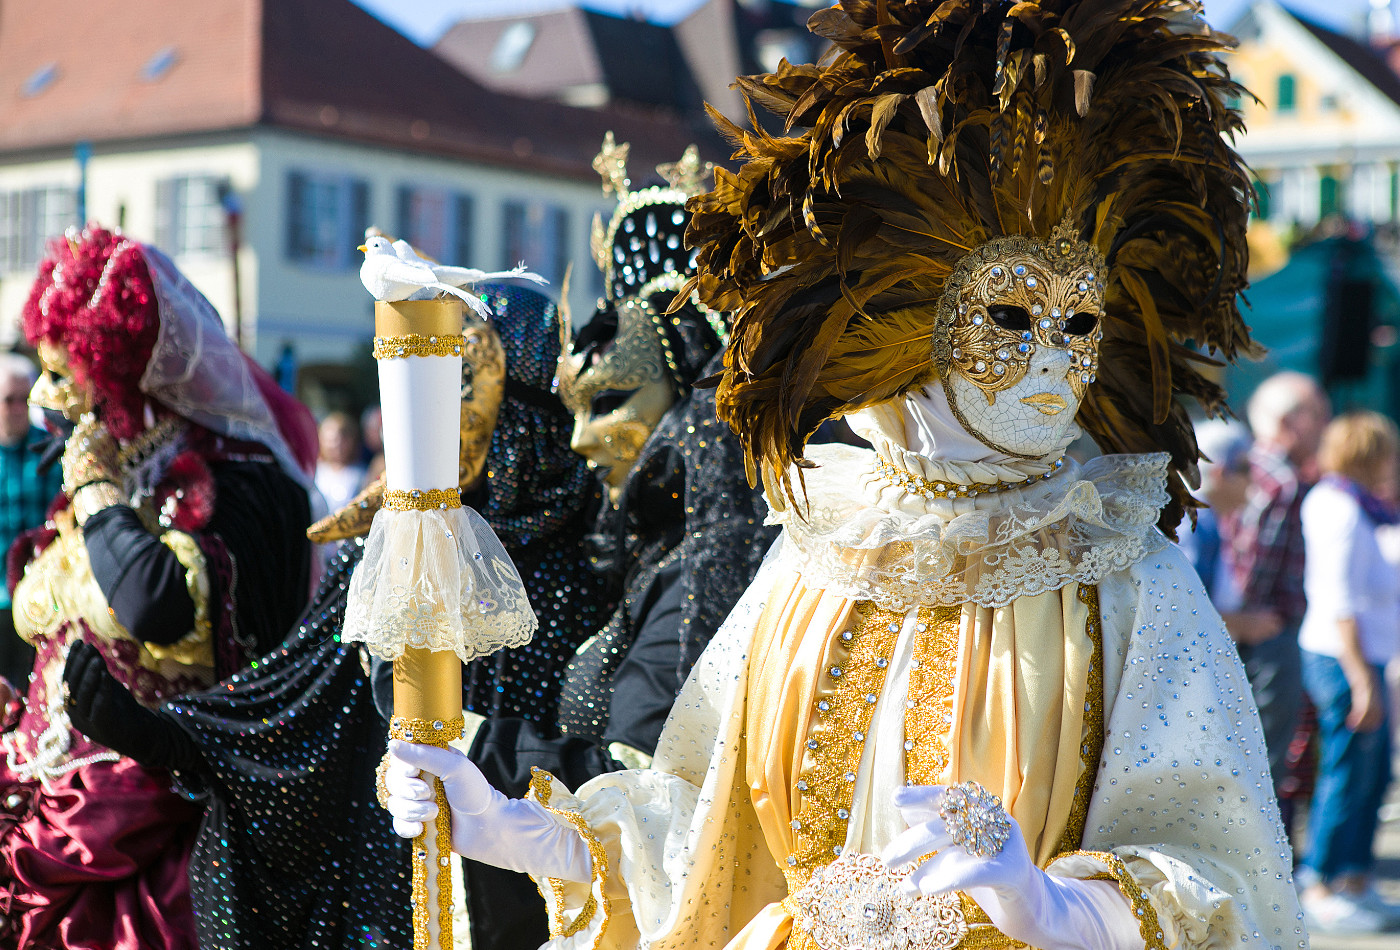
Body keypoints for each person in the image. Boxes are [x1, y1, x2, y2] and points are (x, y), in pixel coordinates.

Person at [385, 2, 1306, 948]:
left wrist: (1055, 907)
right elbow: (704, 831)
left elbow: (1219, 868)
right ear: (912, 323)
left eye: (1080, 328)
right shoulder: (819, 558)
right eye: (1012, 319)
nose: (1052, 369)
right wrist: (524, 829)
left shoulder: (1125, 580)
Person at [61, 283, 614, 950]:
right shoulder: (394, 542)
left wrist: (472, 754)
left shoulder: (605, 554)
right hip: (399, 889)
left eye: (459, 384)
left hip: (554, 903)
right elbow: (298, 697)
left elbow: (631, 771)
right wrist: (176, 739)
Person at [370, 141, 778, 949]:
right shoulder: (625, 554)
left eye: (610, 403)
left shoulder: (710, 574)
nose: (580, 440)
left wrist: (471, 740)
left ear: (692, 396)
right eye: (573, 406)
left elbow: (661, 787)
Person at [0, 227, 315, 949]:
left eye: (62, 374)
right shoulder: (103, 477)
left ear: (122, 375)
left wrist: (96, 490)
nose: (48, 398)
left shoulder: (235, 486)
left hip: (156, 839)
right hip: (44, 802)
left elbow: (152, 602)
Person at [1295, 411, 1400, 934]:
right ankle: (1319, 881)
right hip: (1343, 660)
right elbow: (1339, 601)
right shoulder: (1338, 506)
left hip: (1363, 658)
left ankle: (1353, 878)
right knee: (1345, 770)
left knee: (1371, 774)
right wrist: (1361, 679)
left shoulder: (1359, 504)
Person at [1226, 371, 1331, 805]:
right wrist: (1250, 617)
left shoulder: (1249, 465)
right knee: (1265, 761)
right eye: (1319, 416)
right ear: (1290, 422)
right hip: (1268, 634)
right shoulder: (1284, 481)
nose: (1327, 425)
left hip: (1243, 630)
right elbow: (1256, 560)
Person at [0, 354, 61, 688]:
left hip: (39, 600)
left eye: (25, 400)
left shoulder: (49, 449)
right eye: (9, 400)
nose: (17, 409)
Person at [315, 410, 367, 514]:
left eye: (342, 440)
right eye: (331, 440)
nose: (336, 445)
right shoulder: (314, 472)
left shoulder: (361, 475)